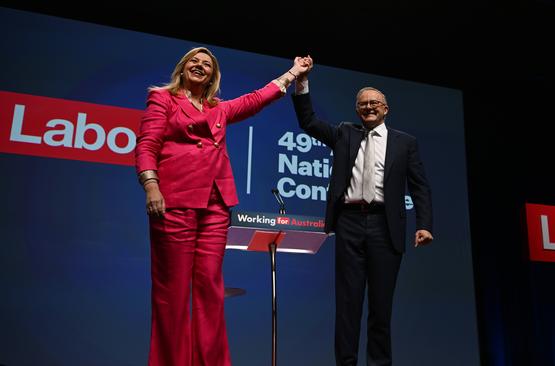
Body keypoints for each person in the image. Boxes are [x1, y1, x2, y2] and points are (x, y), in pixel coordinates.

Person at [135, 47, 310, 366]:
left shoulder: (218, 108)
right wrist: (151, 185)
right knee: (172, 294)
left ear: (213, 76)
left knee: (210, 291)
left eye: (207, 64)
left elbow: (256, 99)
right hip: (174, 200)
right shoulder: (163, 99)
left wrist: (293, 73)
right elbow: (147, 144)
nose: (200, 65)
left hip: (215, 205)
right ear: (183, 67)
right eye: (194, 61)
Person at [291, 57, 434, 366]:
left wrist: (424, 224)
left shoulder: (405, 143)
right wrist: (301, 83)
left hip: (386, 226)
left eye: (375, 103)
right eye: (363, 104)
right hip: (350, 222)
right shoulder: (345, 132)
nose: (369, 107)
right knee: (348, 304)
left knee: (381, 306)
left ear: (385, 109)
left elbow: (419, 185)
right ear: (357, 110)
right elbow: (309, 122)